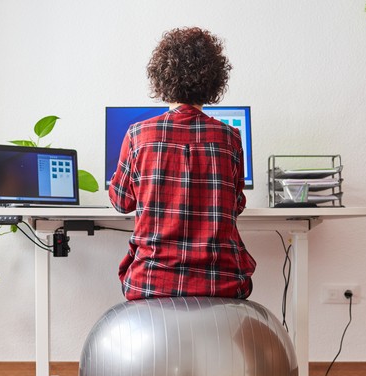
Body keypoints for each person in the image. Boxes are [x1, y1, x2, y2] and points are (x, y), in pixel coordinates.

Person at [109, 27, 256, 300]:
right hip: (221, 284)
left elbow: (121, 203)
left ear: (161, 79)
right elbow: (235, 205)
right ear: (214, 81)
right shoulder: (231, 138)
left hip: (150, 282)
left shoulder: (138, 135)